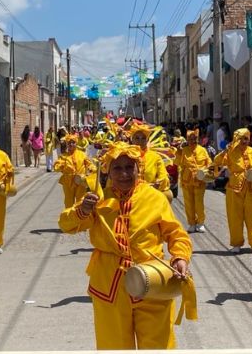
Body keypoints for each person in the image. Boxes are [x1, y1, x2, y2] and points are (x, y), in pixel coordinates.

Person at [58, 142, 194, 350]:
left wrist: (180, 258)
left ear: (139, 169)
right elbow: (66, 224)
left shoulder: (155, 198)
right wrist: (82, 211)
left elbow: (177, 235)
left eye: (129, 167)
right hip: (109, 286)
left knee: (158, 346)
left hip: (152, 281)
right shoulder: (98, 199)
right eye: (117, 168)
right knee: (114, 347)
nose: (124, 174)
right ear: (108, 172)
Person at [213, 128, 252, 254]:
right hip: (234, 188)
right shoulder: (230, 152)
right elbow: (217, 162)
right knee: (235, 216)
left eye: (246, 138)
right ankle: (236, 243)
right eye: (241, 139)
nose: (243, 141)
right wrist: (225, 151)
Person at [174, 129, 212, 233]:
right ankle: (191, 223)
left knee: (199, 203)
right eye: (190, 139)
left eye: (195, 138)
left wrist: (208, 173)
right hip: (187, 181)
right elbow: (177, 163)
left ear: (198, 139)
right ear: (187, 140)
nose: (193, 141)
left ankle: (200, 223)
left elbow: (209, 163)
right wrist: (178, 152)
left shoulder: (202, 150)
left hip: (199, 180)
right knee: (189, 203)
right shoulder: (183, 150)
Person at [54, 133, 95, 209]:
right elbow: (56, 166)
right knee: (68, 203)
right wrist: (64, 167)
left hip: (80, 181)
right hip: (68, 182)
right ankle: (69, 219)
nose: (71, 144)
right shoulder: (63, 156)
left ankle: (79, 219)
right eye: (69, 143)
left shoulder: (82, 154)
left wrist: (91, 168)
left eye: (73, 142)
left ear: (76, 143)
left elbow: (89, 164)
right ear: (67, 144)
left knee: (80, 202)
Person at [129, 124, 171, 197]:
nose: (140, 141)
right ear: (132, 140)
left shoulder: (155, 157)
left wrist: (157, 184)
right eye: (137, 138)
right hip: (130, 196)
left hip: (150, 195)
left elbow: (164, 177)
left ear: (147, 140)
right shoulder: (126, 156)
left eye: (143, 138)